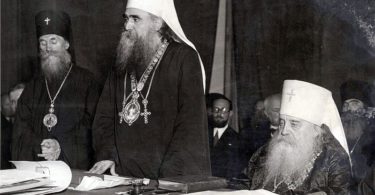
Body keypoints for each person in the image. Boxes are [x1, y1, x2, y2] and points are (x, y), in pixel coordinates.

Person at [89, 0, 210, 179]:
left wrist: (169, 178)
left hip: (165, 176)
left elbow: (190, 125)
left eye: (135, 19)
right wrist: (108, 155)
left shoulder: (183, 58)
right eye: (126, 18)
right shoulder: (123, 59)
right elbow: (104, 117)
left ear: (157, 23)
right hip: (121, 174)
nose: (127, 25)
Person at [12, 10, 101, 170]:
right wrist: (40, 146)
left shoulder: (88, 82)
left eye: (54, 41)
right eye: (43, 42)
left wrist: (61, 145)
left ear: (66, 44)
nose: (48, 48)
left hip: (74, 168)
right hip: (38, 169)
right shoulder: (32, 87)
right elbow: (21, 130)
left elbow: (94, 127)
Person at [247, 80, 351, 194]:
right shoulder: (265, 152)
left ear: (315, 130)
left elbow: (340, 191)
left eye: (294, 124)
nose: (284, 131)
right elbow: (248, 182)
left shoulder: (334, 157)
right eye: (282, 123)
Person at [340, 80, 375, 193]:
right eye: (345, 104)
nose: (349, 109)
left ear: (365, 108)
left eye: (354, 103)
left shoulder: (373, 138)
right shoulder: (337, 135)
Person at [207, 93, 242, 179]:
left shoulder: (237, 139)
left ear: (230, 113)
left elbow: (235, 170)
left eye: (223, 110)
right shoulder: (202, 134)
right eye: (216, 109)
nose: (219, 113)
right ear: (211, 111)